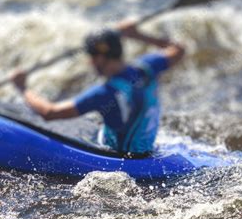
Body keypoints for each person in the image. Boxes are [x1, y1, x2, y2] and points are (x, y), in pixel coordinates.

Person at [10, 19, 185, 154]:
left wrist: (23, 88)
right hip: (146, 149)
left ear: (101, 58)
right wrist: (137, 34)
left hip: (121, 156)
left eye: (91, 57)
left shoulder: (105, 94)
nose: (89, 62)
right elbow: (178, 49)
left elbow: (50, 113)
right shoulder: (147, 67)